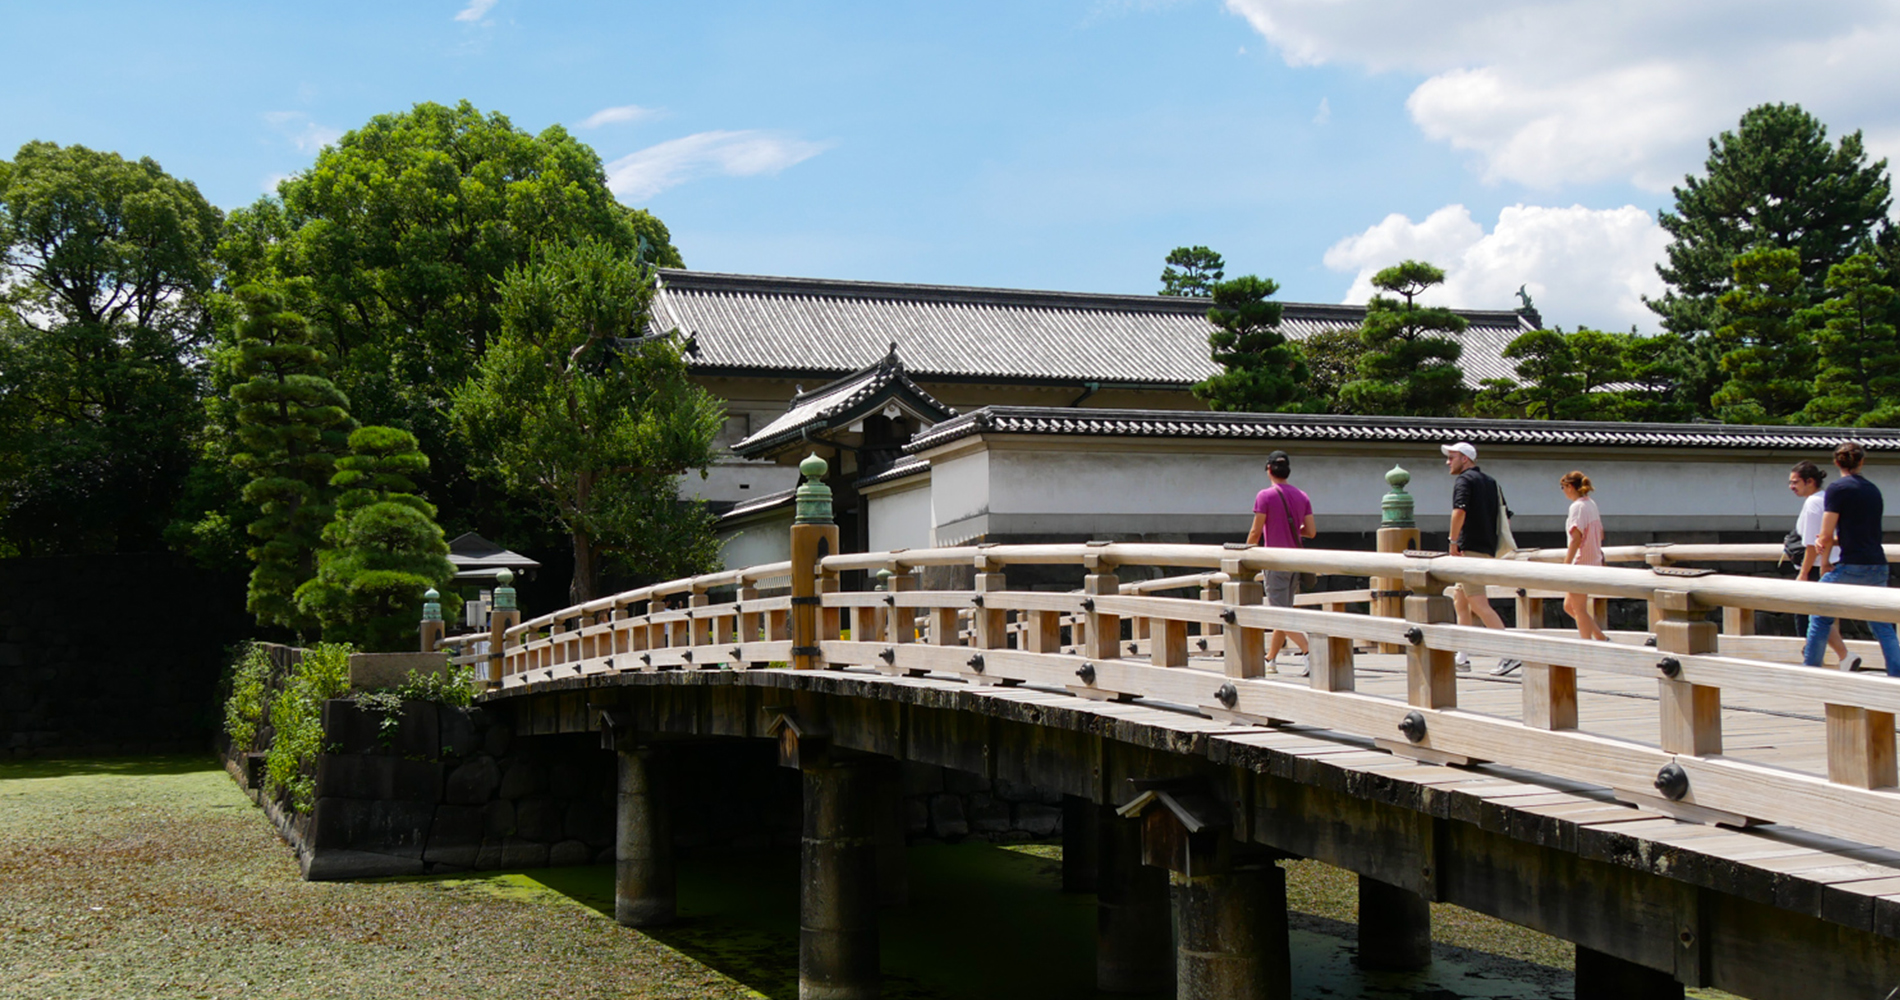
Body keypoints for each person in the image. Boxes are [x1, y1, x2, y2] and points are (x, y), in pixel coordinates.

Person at [1803, 442, 1900, 674]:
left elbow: (1825, 534)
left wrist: (1824, 561)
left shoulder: (1838, 489)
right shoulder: (1873, 490)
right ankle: (1896, 673)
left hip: (1850, 566)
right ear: (1861, 462)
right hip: (1877, 564)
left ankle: (1810, 669)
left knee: (1818, 612)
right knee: (1881, 623)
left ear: (1837, 462)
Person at [1442, 441, 1524, 675]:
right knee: (1461, 600)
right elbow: (1505, 516)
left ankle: (1509, 654)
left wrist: (1453, 541)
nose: (1448, 462)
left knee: (1479, 604)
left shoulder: (1464, 480)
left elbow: (1459, 510)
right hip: (1486, 547)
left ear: (1465, 459)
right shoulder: (1491, 482)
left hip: (1469, 550)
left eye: (1452, 457)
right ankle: (1462, 656)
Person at [1246, 449, 1316, 673]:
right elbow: (1311, 531)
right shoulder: (1302, 496)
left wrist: (1244, 554)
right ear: (1288, 471)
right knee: (1284, 610)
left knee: (1278, 614)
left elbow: (1256, 532)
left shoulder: (1265, 496)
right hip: (1295, 560)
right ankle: (1270, 659)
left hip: (1275, 561)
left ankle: (1309, 650)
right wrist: (1293, 529)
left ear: (1269, 470)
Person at [1790, 460, 1855, 669]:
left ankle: (1830, 657)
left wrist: (1803, 573)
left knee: (1811, 617)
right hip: (1833, 561)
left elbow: (1811, 544)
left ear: (1810, 481)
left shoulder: (1812, 503)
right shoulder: (1825, 498)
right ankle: (1842, 656)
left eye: (1795, 482)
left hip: (1818, 566)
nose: (1791, 487)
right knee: (1820, 615)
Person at [1559, 471, 1610, 642]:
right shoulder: (1591, 504)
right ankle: (1601, 637)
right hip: (1593, 560)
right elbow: (1600, 533)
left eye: (1563, 487)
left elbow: (1576, 538)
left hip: (1580, 562)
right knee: (1569, 606)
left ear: (1570, 487)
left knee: (1578, 607)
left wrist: (1566, 565)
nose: (1563, 491)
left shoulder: (1577, 507)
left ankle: (1586, 644)